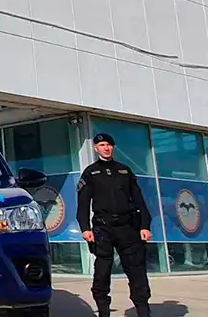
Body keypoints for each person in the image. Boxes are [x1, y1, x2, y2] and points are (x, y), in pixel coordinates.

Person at [77, 132, 153, 317]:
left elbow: (139, 200)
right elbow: (83, 203)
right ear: (96, 149)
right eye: (102, 145)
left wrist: (145, 225)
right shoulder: (90, 172)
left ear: (113, 147)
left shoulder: (125, 171)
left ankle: (143, 310)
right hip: (103, 228)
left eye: (109, 145)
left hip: (128, 227)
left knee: (136, 270)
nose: (106, 148)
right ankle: (104, 311)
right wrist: (85, 229)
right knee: (102, 271)